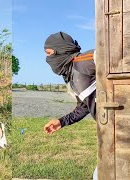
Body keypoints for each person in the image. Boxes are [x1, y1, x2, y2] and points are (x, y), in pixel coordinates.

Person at [42, 32, 97, 179]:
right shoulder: (71, 77)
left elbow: (109, 55)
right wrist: (62, 121)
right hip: (111, 132)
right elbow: (84, 107)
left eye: (49, 54)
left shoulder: (83, 61)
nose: (48, 59)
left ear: (62, 50)